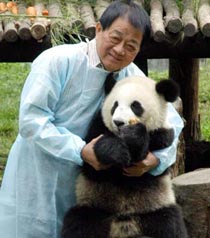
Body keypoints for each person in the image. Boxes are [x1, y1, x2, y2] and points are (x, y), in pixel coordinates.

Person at [0, 0, 184, 237]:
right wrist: (80, 150)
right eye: (115, 38)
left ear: (139, 50)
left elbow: (173, 123)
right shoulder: (57, 61)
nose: (120, 50)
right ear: (98, 29)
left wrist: (155, 160)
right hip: (39, 176)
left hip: (90, 196)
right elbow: (32, 121)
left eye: (131, 46)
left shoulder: (130, 76)